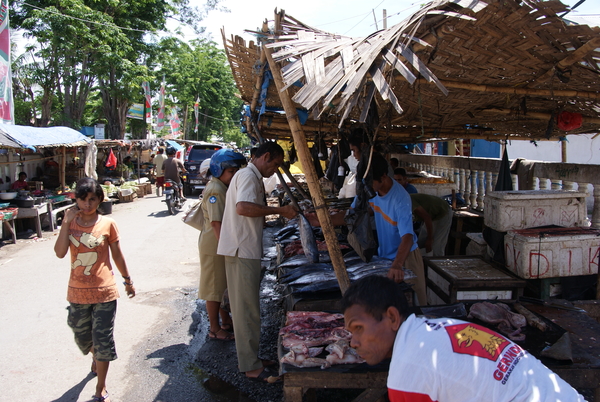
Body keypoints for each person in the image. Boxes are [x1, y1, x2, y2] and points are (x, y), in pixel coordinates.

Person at [342, 275, 586, 402]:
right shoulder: (442, 326)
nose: (352, 342)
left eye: (358, 328)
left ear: (392, 317)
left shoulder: (407, 371)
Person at [217, 141, 298, 382]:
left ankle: (252, 357)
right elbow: (243, 207)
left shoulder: (247, 175)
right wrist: (280, 211)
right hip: (241, 250)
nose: (275, 169)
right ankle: (250, 365)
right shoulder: (249, 176)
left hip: (243, 248)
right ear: (264, 157)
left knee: (249, 308)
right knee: (246, 311)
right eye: (275, 164)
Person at [54, 178, 135, 402]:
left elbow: (117, 255)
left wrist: (127, 280)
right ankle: (96, 356)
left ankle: (101, 387)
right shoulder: (70, 222)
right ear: (76, 199)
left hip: (105, 292)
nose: (87, 204)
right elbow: (60, 253)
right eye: (82, 199)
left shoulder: (108, 224)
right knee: (82, 337)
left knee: (103, 340)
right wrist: (65, 223)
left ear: (100, 199)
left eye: (92, 199)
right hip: (77, 292)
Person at [308, 153, 427, 305]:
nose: (367, 187)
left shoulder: (400, 198)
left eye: (370, 182)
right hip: (384, 257)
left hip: (405, 257)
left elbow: (408, 237)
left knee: (415, 303)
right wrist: (323, 221)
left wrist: (397, 265)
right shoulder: (368, 190)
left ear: (383, 177)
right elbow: (352, 216)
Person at [198, 149, 246, 341]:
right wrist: (226, 248)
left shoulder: (221, 186)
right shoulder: (216, 190)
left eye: (236, 171)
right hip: (214, 246)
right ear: (219, 170)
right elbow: (216, 223)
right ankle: (214, 328)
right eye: (231, 172)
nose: (234, 175)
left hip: (219, 244)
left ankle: (226, 322)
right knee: (214, 289)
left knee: (222, 287)